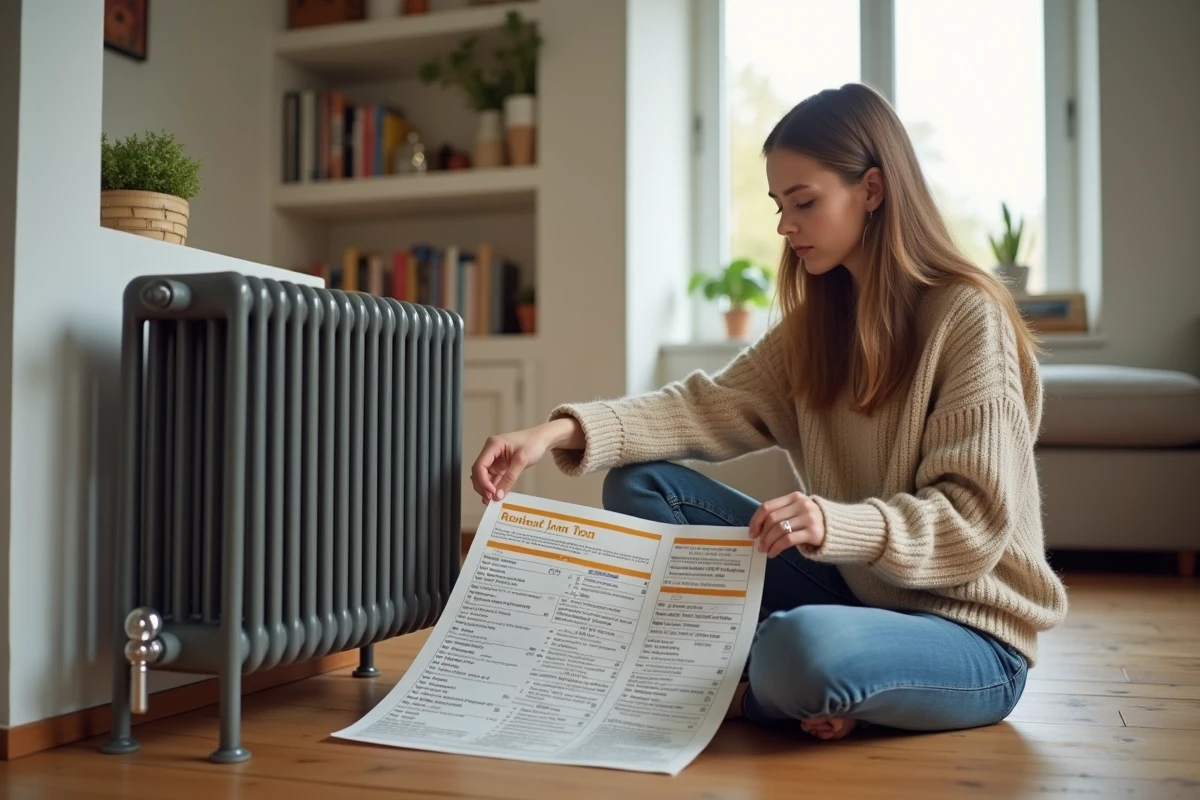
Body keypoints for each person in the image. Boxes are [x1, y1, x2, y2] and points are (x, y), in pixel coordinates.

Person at [469, 82, 1068, 742]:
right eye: (779, 205)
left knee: (803, 650)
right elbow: (699, 407)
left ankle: (760, 686)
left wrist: (832, 522)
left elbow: (973, 522)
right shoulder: (815, 327)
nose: (785, 226)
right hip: (856, 592)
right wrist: (554, 430)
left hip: (971, 636)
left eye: (804, 202)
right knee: (640, 483)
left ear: (872, 189)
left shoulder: (966, 316)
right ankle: (785, 684)